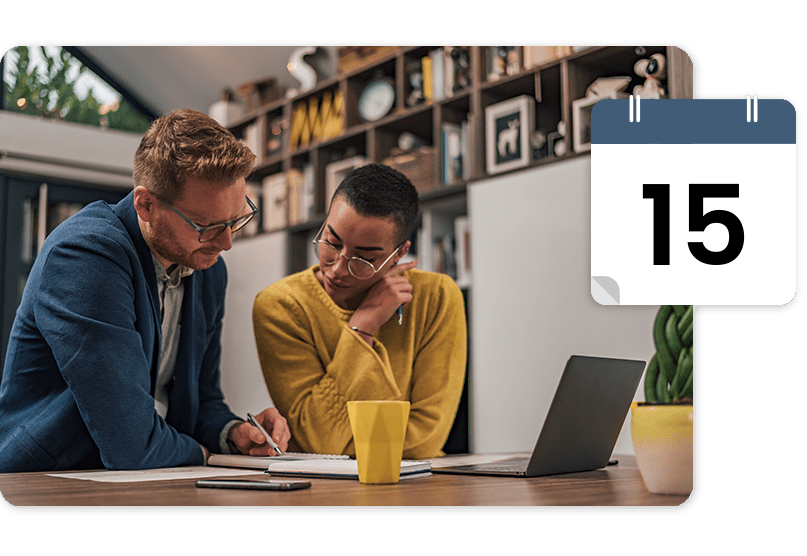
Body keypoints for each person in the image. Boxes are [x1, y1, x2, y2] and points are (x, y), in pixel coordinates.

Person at [0, 108, 290, 473]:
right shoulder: (86, 255)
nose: (228, 243)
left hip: (148, 475)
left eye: (236, 220)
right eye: (207, 225)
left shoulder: (208, 267)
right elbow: (129, 443)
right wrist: (203, 454)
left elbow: (201, 400)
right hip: (49, 480)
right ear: (146, 204)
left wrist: (234, 434)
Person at [252, 163, 466, 460]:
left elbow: (426, 440)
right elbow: (316, 440)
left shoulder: (437, 297)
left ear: (399, 253)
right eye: (331, 242)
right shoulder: (281, 305)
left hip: (421, 486)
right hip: (322, 490)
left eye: (364, 258)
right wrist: (362, 327)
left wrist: (344, 446)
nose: (338, 269)